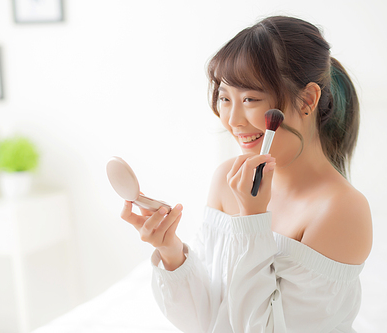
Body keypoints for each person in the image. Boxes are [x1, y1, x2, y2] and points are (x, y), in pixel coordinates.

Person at [120, 15, 372, 333]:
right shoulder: (228, 179)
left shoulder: (340, 209)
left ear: (307, 100)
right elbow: (205, 320)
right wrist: (171, 251)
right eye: (225, 98)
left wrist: (251, 221)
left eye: (250, 99)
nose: (233, 120)